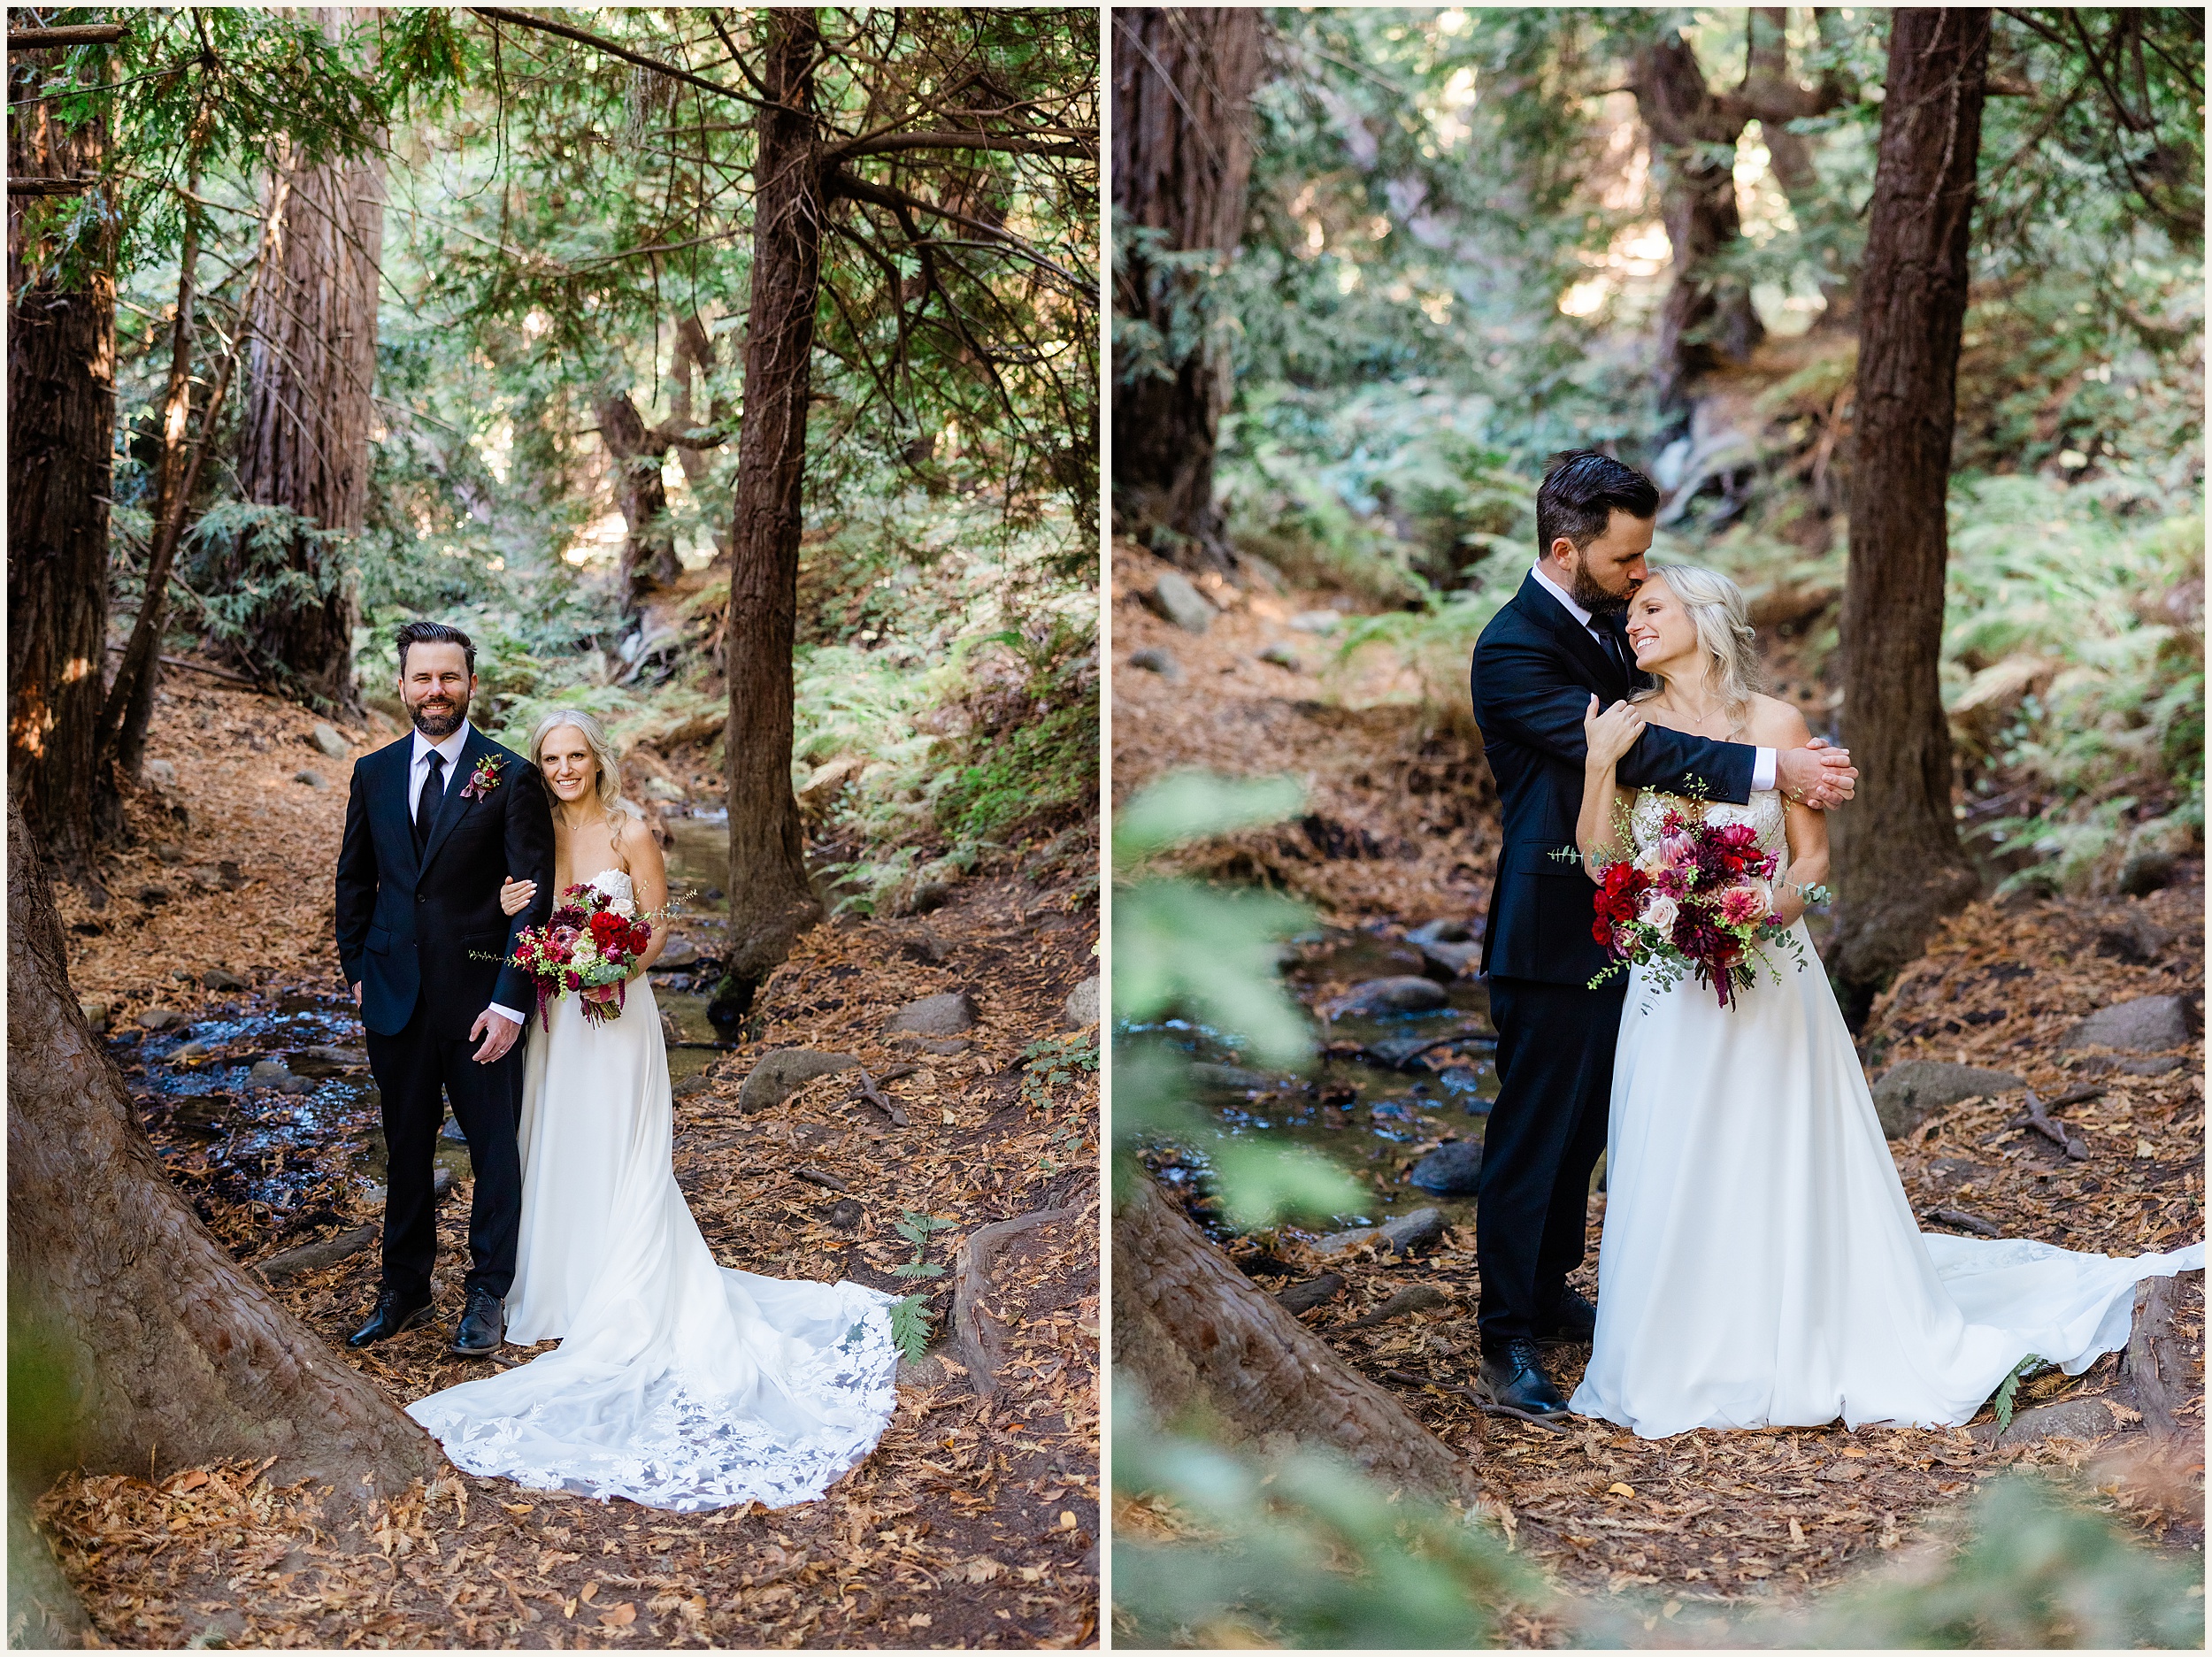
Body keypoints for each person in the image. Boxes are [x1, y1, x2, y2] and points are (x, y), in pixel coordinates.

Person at [1567, 565, 2202, 1434]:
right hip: (1669, 985)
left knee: (1772, 1144)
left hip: (1766, 972)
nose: (1631, 626)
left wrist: (1758, 910)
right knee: (1674, 1148)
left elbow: (1813, 867)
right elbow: (1603, 862)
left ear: (1703, 616)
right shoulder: (1629, 726)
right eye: (1629, 614)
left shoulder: (1777, 725)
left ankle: (1794, 1325)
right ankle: (1679, 1346)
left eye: (1650, 609)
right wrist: (1601, 767)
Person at [403, 710, 898, 1511]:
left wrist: (611, 967)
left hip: (615, 1012)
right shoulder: (528, 828)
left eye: (575, 756)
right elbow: (511, 920)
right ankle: (559, 1284)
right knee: (556, 1141)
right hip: (556, 1016)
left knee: (618, 1142)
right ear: (540, 766)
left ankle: (624, 1285)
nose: (564, 768)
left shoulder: (632, 829)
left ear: (597, 759)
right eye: (551, 758)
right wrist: (510, 913)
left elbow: (660, 926)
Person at [1465, 450, 1859, 1418]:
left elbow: (1670, 714)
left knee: (1589, 1133)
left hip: (1643, 940)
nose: (1641, 577)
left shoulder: (1611, 633)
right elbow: (1640, 747)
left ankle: (1552, 1288)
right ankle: (1504, 1338)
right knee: (1531, 1136)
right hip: (1554, 927)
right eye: (1627, 559)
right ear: (1566, 548)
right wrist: (1778, 768)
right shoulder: (1514, 649)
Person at [335, 621, 555, 1356]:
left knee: (493, 1148)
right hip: (394, 997)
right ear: (401, 685)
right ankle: (404, 1287)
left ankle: (488, 1291)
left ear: (470, 683)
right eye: (422, 678)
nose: (436, 691)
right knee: (405, 1146)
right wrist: (359, 969)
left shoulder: (511, 775)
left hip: (479, 1002)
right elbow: (355, 882)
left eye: (449, 677)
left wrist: (510, 1000)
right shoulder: (373, 771)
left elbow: (534, 901)